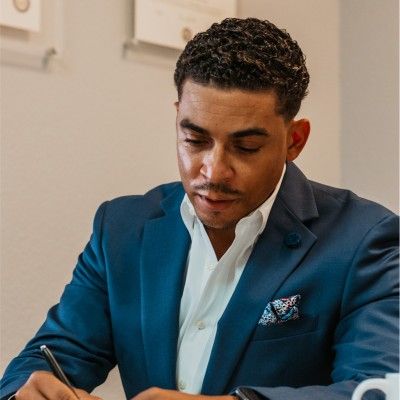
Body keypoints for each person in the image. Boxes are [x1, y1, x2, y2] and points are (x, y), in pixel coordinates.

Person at [1, 17, 398, 400]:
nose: (213, 171)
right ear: (178, 117)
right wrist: (31, 390)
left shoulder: (364, 241)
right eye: (194, 140)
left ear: (294, 140)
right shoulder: (122, 229)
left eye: (246, 147)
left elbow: (380, 388)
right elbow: (49, 357)